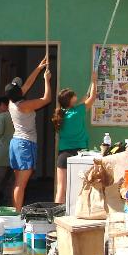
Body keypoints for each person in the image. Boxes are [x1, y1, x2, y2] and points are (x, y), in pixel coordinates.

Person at [5, 58, 52, 211]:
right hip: (25, 144)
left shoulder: (12, 102)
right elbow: (47, 99)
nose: (22, 88)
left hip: (16, 143)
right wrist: (46, 80)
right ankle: (17, 214)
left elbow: (27, 84)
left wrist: (38, 68)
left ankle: (15, 211)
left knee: (18, 182)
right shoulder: (24, 105)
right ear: (18, 93)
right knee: (21, 183)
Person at [51, 72, 97, 204]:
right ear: (71, 100)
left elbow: (83, 101)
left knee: (61, 188)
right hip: (80, 154)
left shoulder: (61, 114)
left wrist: (84, 98)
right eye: (73, 95)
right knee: (80, 187)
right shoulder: (79, 111)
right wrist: (94, 81)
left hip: (63, 155)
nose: (76, 96)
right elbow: (92, 97)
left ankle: (56, 213)